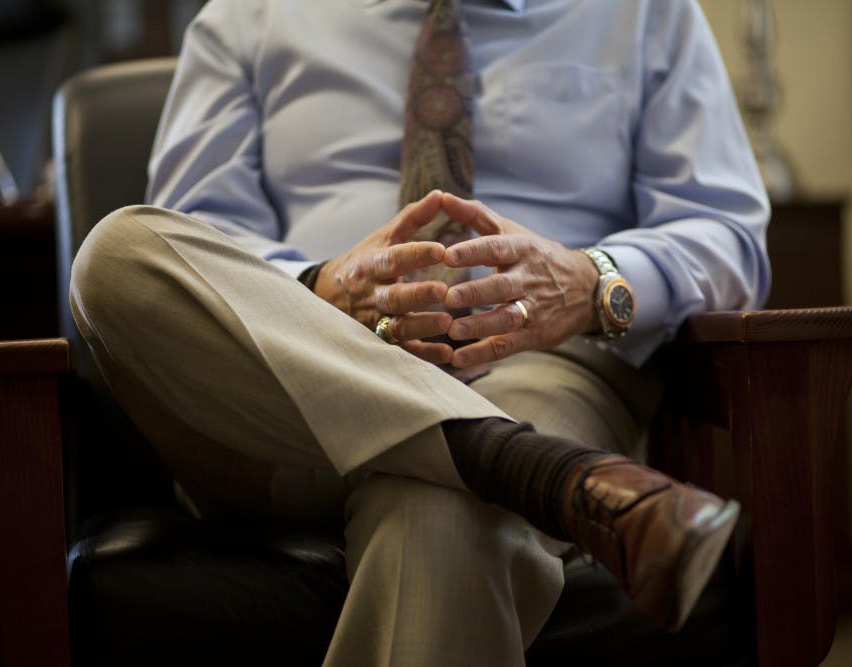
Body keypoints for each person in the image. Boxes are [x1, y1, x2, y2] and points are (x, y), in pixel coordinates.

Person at [69, 0, 771, 665]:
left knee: (440, 510)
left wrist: (593, 281)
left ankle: (501, 462)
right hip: (280, 392)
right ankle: (532, 468)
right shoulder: (247, 13)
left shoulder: (645, 11)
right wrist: (317, 287)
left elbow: (729, 234)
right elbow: (195, 234)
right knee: (118, 255)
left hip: (539, 366)